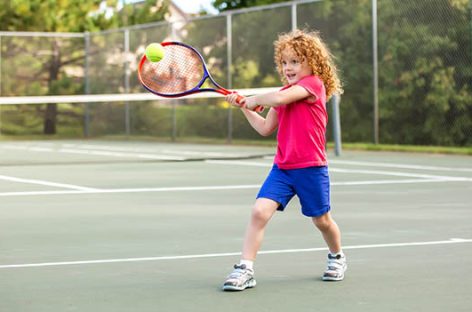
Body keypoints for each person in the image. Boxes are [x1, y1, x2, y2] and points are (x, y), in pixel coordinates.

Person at [222, 29, 346, 291]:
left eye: (295, 61)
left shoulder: (313, 85)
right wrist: (245, 107)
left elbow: (277, 98)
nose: (288, 67)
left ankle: (337, 257)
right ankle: (245, 269)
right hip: (282, 168)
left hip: (311, 168)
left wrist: (252, 98)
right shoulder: (284, 93)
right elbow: (266, 128)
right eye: (285, 62)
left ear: (313, 63)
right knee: (259, 212)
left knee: (322, 221)